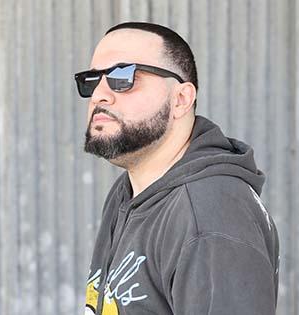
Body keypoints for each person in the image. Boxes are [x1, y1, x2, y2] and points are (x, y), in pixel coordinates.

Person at [75, 22, 279, 315]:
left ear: (181, 99)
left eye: (124, 77)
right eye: (92, 80)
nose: (100, 95)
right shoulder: (128, 191)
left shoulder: (210, 216)